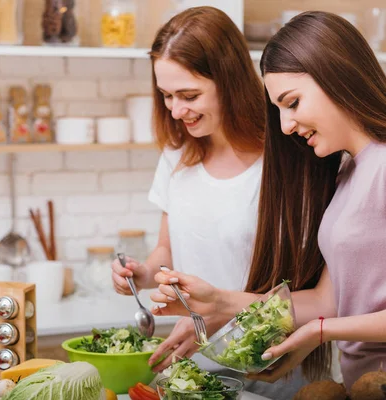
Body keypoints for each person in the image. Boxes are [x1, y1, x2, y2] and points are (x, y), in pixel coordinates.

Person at [151, 10, 386, 400]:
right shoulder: (350, 170)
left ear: (336, 77)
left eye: (293, 103)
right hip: (368, 390)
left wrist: (324, 331)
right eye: (279, 109)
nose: (286, 125)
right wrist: (222, 304)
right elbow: (327, 301)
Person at [110, 6, 309, 398]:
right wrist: (142, 273)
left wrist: (220, 318)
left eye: (189, 95)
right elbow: (167, 250)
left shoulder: (286, 158)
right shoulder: (176, 156)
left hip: (271, 369)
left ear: (230, 81)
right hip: (193, 370)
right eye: (166, 95)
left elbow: (304, 288)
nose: (176, 110)